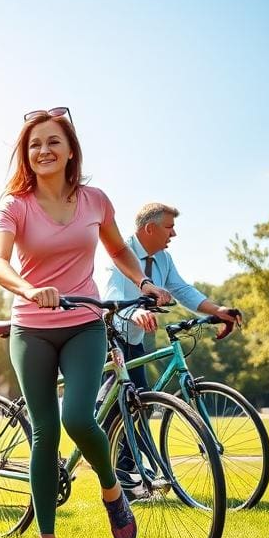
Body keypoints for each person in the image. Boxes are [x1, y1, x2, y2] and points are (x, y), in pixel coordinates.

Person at [0, 107, 171, 538]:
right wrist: (28, 289)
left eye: (53, 142)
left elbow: (118, 249)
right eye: (34, 145)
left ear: (70, 150)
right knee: (45, 433)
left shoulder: (95, 200)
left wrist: (144, 282)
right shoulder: (15, 205)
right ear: (25, 156)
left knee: (78, 417)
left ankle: (113, 492)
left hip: (84, 322)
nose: (43, 151)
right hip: (31, 327)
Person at [102, 202, 241, 490]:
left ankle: (124, 471)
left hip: (134, 340)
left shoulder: (163, 259)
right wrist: (133, 312)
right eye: (169, 227)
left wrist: (217, 310)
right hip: (106, 337)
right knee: (118, 407)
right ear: (149, 228)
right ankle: (118, 469)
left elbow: (182, 289)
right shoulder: (119, 251)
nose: (174, 234)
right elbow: (111, 292)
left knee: (140, 405)